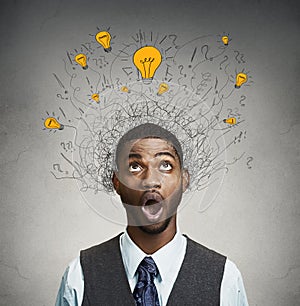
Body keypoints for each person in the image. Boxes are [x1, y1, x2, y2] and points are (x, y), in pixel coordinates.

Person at [55, 123, 248, 306]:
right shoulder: (79, 275)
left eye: (165, 165)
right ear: (117, 182)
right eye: (135, 167)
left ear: (184, 180)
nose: (151, 180)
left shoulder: (225, 278)